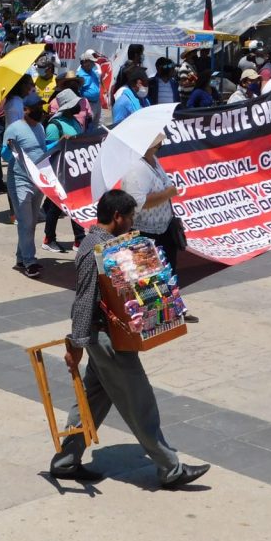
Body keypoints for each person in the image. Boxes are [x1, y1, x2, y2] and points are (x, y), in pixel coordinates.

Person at [50, 189, 210, 487]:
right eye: (131, 217)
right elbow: (83, 302)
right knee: (140, 401)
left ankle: (65, 462)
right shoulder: (93, 251)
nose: (133, 221)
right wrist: (75, 345)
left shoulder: (110, 244)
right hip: (107, 340)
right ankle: (170, 469)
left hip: (109, 337)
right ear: (117, 217)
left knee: (92, 400)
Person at [2, 92, 48, 278]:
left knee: (32, 222)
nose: (41, 111)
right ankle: (30, 261)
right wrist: (9, 148)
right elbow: (4, 156)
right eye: (36, 108)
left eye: (41, 107)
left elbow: (43, 151)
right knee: (25, 222)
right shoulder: (14, 128)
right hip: (20, 181)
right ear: (26, 110)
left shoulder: (41, 128)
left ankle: (21, 257)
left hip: (38, 181)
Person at [121, 134, 179, 270]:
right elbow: (138, 202)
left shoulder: (152, 159)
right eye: (158, 141)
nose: (161, 143)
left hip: (164, 230)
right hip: (145, 235)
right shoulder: (136, 167)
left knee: (168, 277)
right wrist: (168, 193)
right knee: (151, 281)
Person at [42, 88, 86, 253]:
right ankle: (49, 238)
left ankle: (79, 239)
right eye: (74, 104)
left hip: (75, 170)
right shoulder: (54, 126)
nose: (78, 106)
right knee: (56, 207)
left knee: (76, 205)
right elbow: (46, 151)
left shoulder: (75, 122)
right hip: (59, 171)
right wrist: (60, 142)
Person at [77, 49, 103, 124]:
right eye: (91, 62)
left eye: (93, 62)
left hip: (97, 102)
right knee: (89, 126)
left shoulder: (92, 72)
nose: (93, 64)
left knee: (98, 125)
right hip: (88, 105)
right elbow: (78, 93)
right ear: (85, 61)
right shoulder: (80, 76)